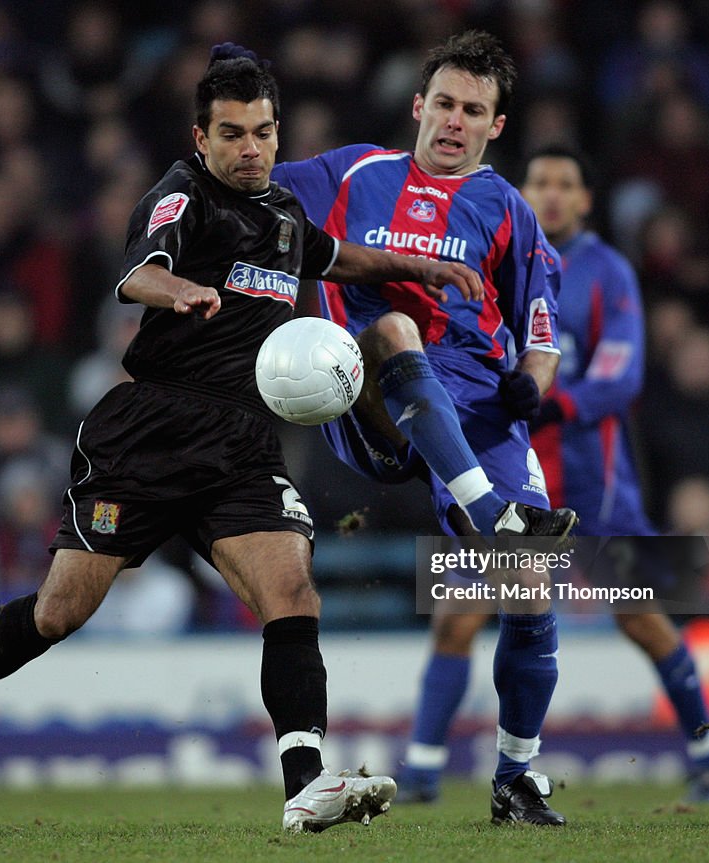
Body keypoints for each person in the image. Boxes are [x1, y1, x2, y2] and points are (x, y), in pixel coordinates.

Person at [0, 44, 487, 834]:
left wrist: (414, 268)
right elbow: (136, 270)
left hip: (243, 444)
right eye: (232, 134)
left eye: (261, 131)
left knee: (292, 591)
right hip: (151, 432)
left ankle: (305, 785)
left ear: (277, 133)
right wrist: (178, 287)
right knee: (60, 611)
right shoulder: (183, 197)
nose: (249, 148)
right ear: (201, 138)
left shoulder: (285, 214)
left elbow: (337, 257)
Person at [273, 31, 577, 826]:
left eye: (472, 110)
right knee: (396, 330)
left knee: (532, 592)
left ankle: (515, 777)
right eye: (442, 103)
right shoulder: (351, 173)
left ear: (495, 127)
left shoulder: (508, 210)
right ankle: (491, 514)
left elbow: (543, 336)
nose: (453, 120)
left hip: (477, 410)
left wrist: (528, 388)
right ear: (418, 105)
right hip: (373, 395)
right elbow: (244, 183)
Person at [392, 145, 709, 807]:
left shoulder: (607, 271)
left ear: (584, 199)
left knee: (643, 619)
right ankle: (423, 771)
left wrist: (546, 399)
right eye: (540, 182)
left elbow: (621, 372)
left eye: (565, 183)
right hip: (503, 474)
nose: (550, 194)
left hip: (590, 484)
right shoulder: (490, 258)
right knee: (457, 614)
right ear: (521, 193)